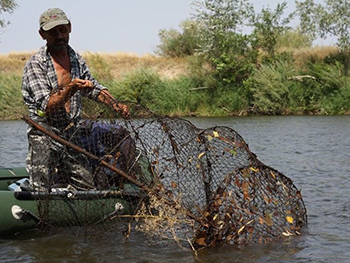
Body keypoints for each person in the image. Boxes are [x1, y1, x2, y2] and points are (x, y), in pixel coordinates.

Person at [22, 8, 130, 191]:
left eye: (62, 30)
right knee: (40, 188)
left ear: (70, 28)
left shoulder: (76, 59)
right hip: (44, 132)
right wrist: (71, 88)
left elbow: (93, 88)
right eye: (53, 32)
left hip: (71, 132)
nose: (59, 35)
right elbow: (47, 105)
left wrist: (115, 104)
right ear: (42, 35)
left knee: (86, 186)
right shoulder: (36, 64)